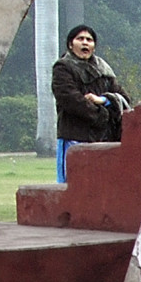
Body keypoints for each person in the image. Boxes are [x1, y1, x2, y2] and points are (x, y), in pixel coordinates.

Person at [52, 25, 131, 183]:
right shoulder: (63, 68)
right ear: (70, 44)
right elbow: (70, 99)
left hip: (104, 139)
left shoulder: (104, 70)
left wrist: (103, 100)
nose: (85, 43)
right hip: (75, 136)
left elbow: (124, 98)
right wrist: (101, 115)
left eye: (89, 40)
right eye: (80, 39)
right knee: (74, 185)